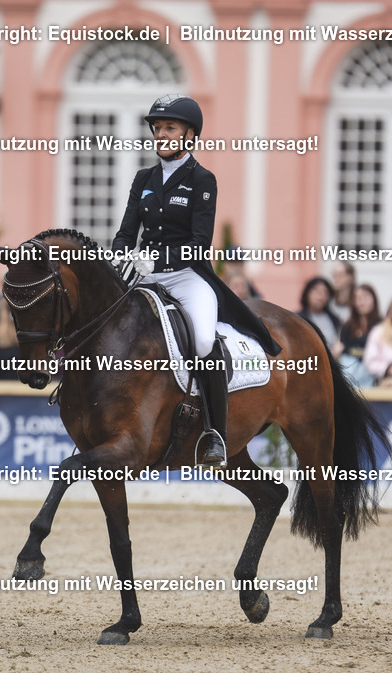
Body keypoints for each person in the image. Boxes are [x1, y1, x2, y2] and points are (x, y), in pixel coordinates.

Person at [111, 94, 281, 467]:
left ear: (189, 134)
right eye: (157, 128)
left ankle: (215, 433)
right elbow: (125, 232)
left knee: (204, 340)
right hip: (143, 275)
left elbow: (199, 244)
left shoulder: (203, 180)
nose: (160, 134)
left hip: (187, 278)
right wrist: (121, 253)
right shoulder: (144, 179)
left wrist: (156, 258)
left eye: (169, 127)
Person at [334, 284, 381, 388]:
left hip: (374, 377)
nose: (361, 302)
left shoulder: (382, 325)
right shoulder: (347, 326)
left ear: (374, 300)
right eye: (358, 298)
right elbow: (341, 350)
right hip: (350, 376)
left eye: (365, 298)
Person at [297, 277, 341, 351]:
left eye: (325, 292)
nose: (320, 296)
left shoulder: (335, 320)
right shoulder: (297, 319)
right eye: (316, 291)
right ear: (307, 293)